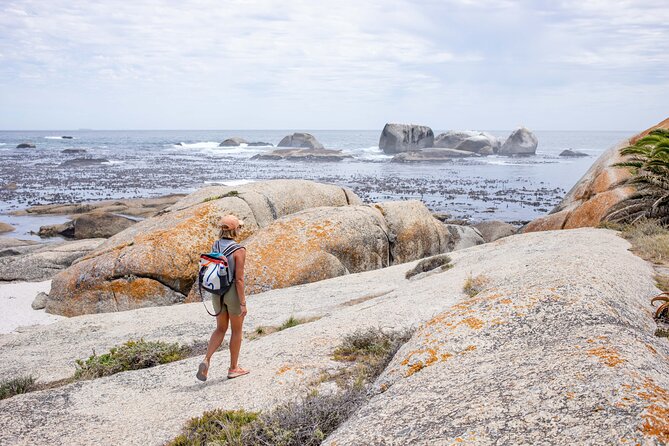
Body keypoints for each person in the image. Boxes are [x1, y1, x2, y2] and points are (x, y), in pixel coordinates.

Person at [196, 214, 249, 381]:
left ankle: (206, 359)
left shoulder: (215, 245)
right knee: (237, 330)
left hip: (217, 292)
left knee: (220, 328)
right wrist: (243, 303)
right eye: (239, 227)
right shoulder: (239, 250)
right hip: (232, 292)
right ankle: (233, 368)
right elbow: (239, 280)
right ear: (235, 230)